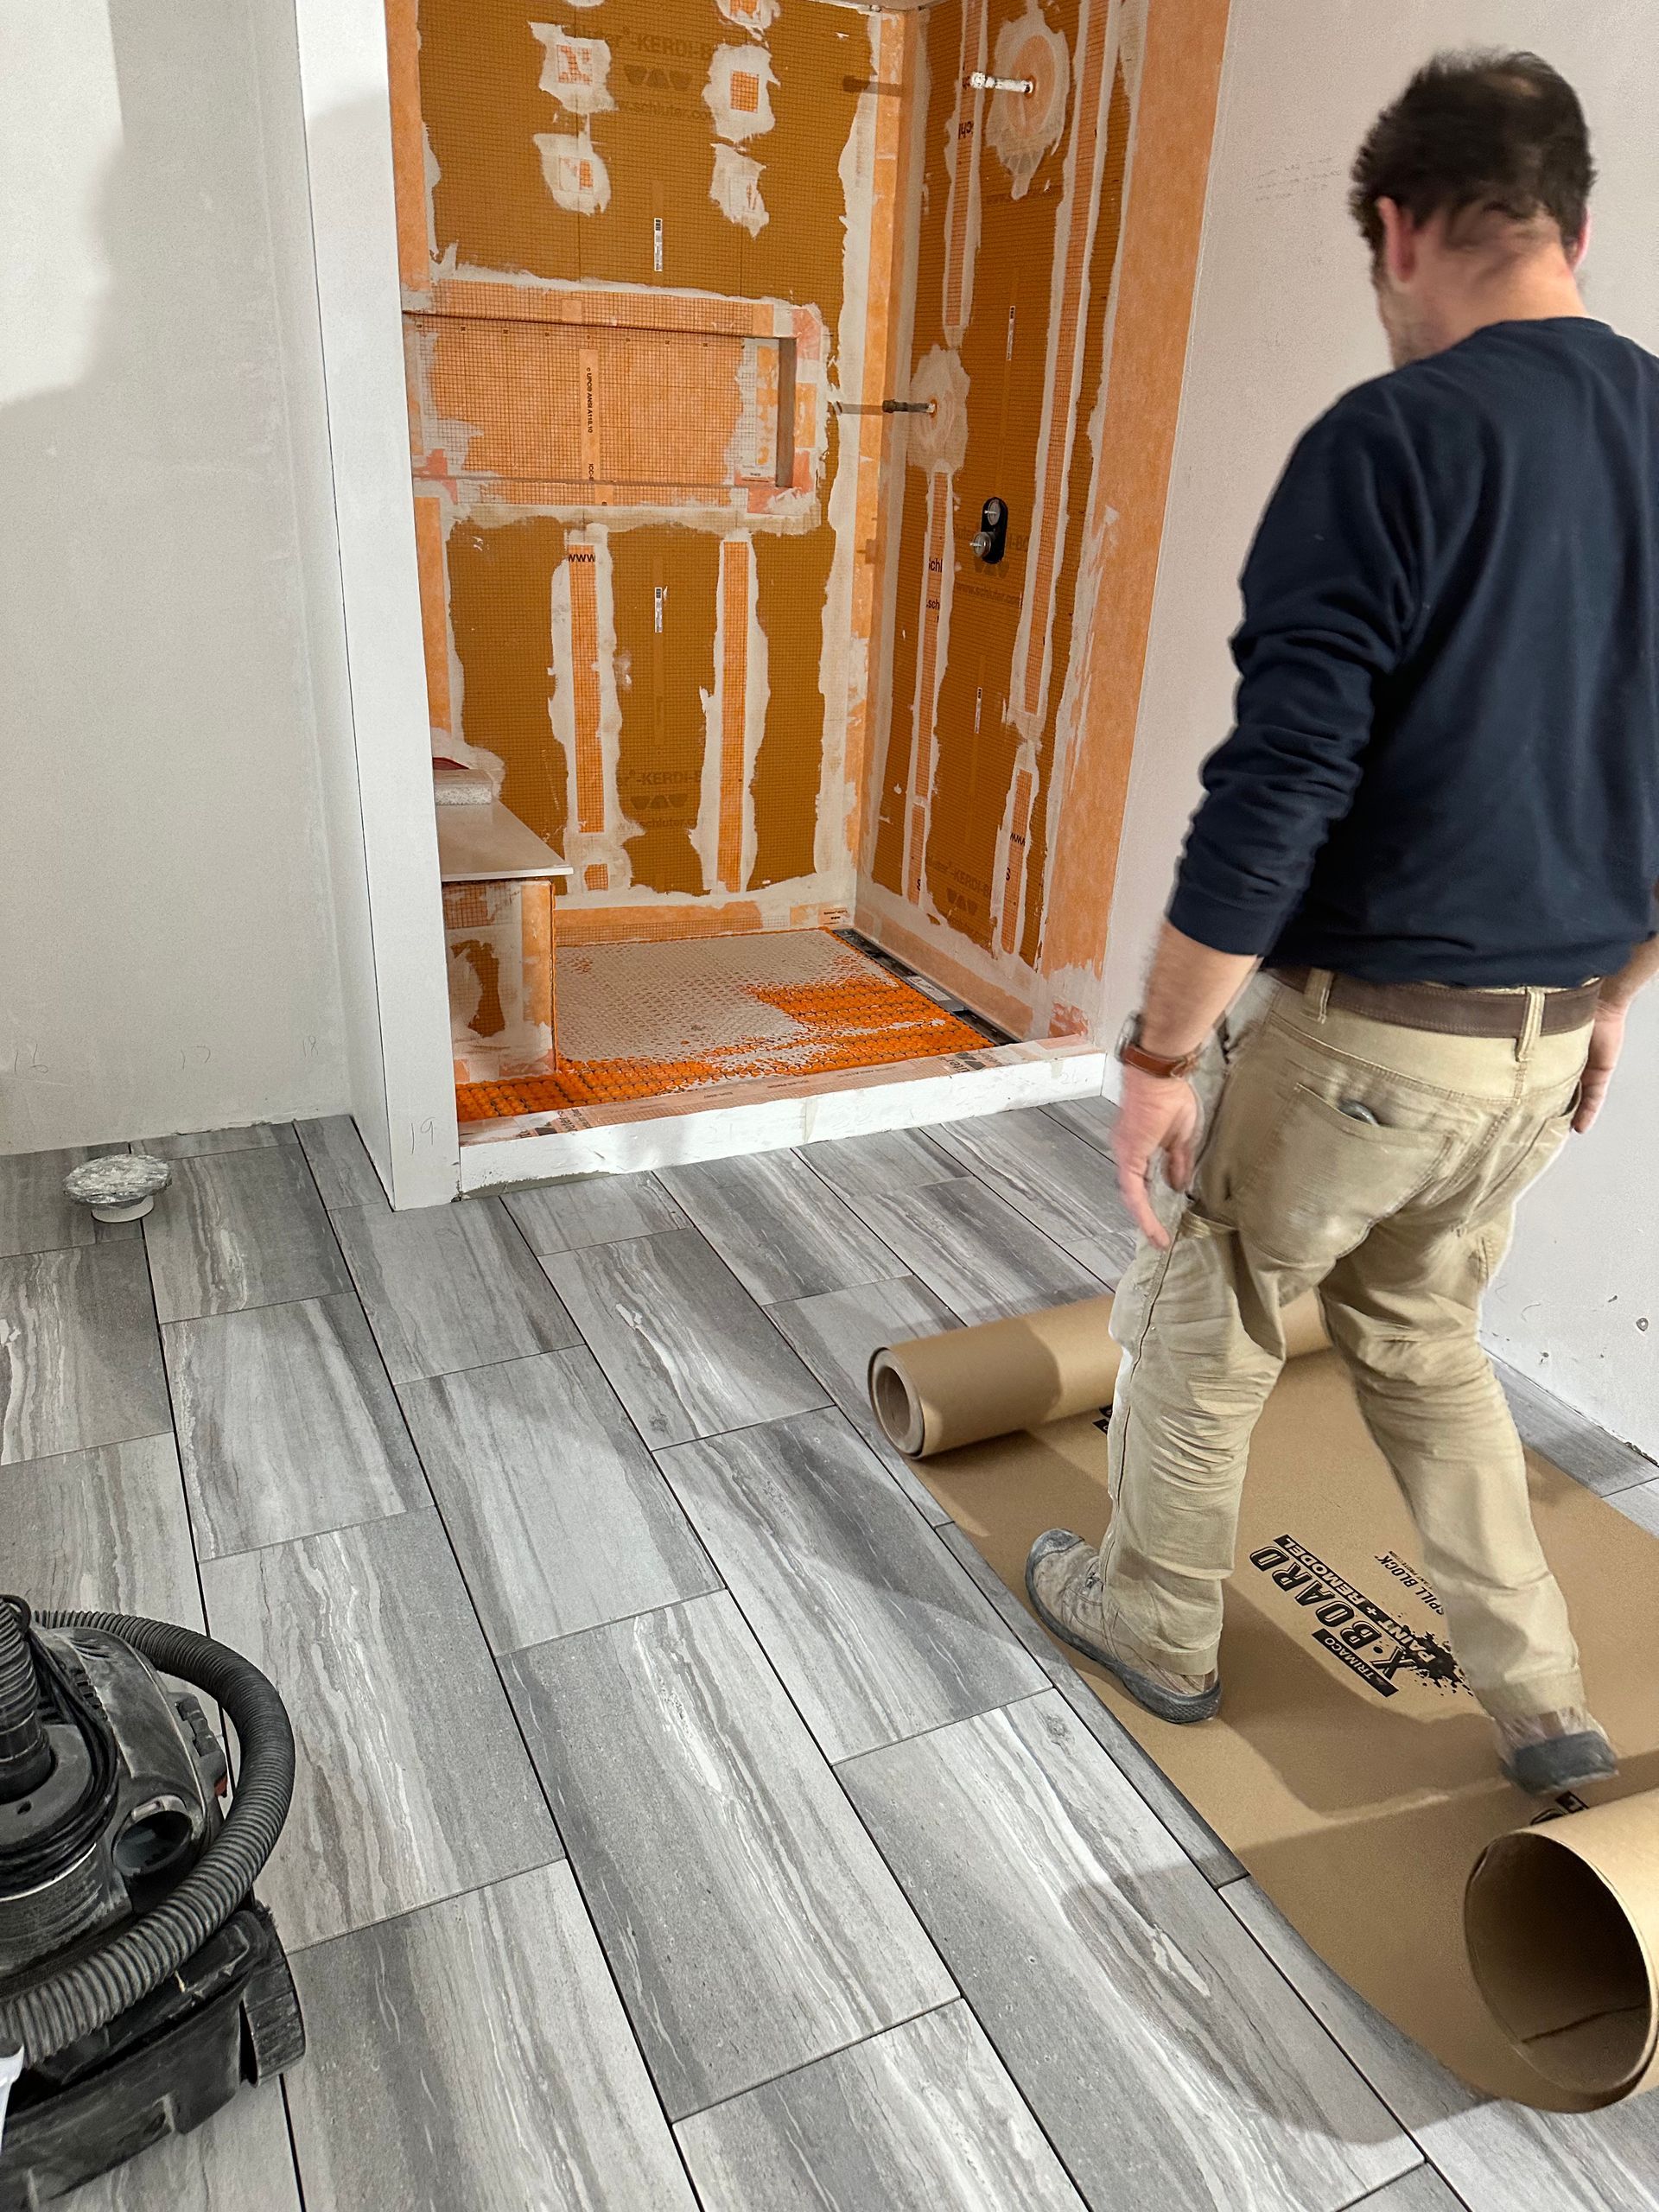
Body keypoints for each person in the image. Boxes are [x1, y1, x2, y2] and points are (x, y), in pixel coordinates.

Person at [1026, 49, 1659, 1796]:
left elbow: (1278, 787)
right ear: (1574, 226)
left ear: (1396, 227)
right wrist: (1612, 993)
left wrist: (1159, 1054)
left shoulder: (1395, 438)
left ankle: (1150, 1618)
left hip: (1366, 1038)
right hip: (1538, 1055)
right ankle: (1541, 1700)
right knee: (1423, 1335)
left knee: (1205, 1298)